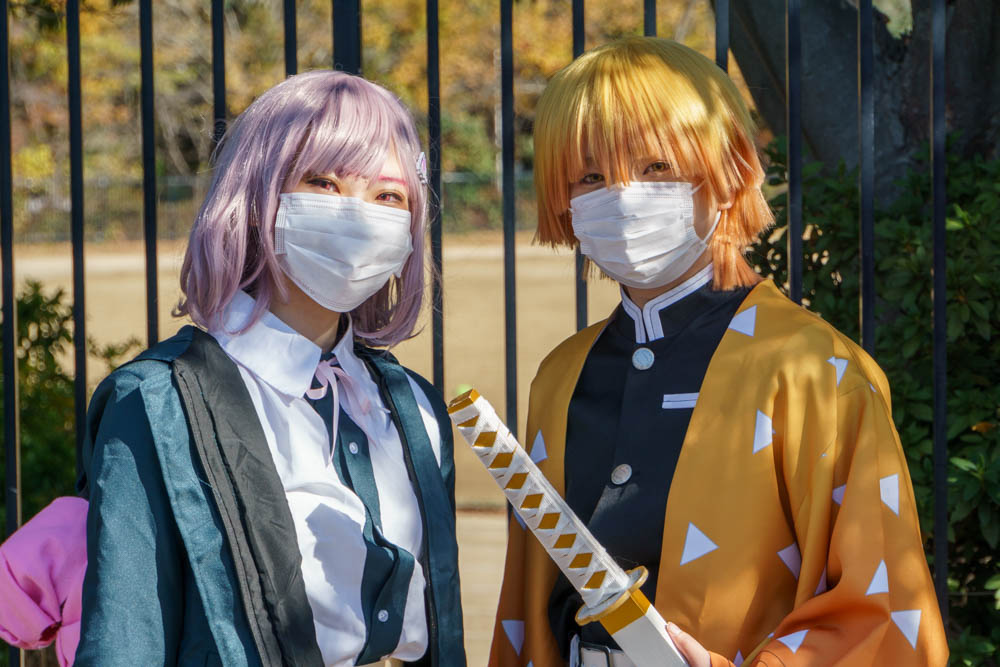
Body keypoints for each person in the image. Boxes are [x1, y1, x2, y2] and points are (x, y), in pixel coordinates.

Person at [489, 37, 947, 667]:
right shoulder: (560, 375)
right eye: (591, 176)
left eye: (655, 166)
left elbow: (883, 608)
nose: (622, 195)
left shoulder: (816, 369)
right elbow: (529, 605)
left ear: (728, 172)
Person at [1, 70, 466, 667]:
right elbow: (126, 639)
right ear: (255, 197)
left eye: (388, 197)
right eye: (324, 183)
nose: (357, 215)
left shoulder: (414, 409)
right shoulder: (157, 403)